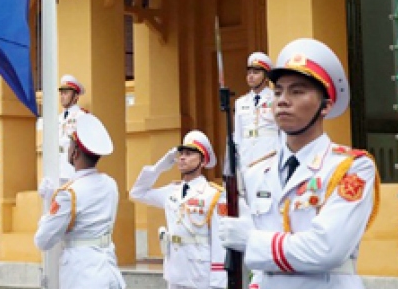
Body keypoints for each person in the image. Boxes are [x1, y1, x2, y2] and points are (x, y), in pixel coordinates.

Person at [218, 38, 380, 289]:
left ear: (325, 106)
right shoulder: (256, 172)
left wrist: (250, 240)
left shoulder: (350, 168)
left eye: (297, 91)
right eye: (278, 91)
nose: (282, 100)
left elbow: (326, 248)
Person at [34, 112, 127, 289]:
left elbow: (43, 240)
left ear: (75, 153)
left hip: (82, 274)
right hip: (108, 271)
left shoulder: (68, 194)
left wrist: (49, 204)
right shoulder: (110, 184)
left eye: (70, 145)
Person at [130, 130, 228, 289]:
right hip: (175, 272)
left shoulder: (213, 194)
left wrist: (218, 282)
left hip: (200, 275)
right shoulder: (171, 191)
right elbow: (137, 192)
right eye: (181, 153)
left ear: (202, 162)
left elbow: (219, 241)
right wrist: (160, 166)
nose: (182, 157)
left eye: (189, 154)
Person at [234, 52, 280, 171]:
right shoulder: (240, 102)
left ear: (266, 77)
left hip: (270, 155)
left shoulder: (276, 98)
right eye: (249, 73)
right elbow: (238, 135)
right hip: (247, 158)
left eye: (256, 72)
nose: (251, 76)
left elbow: (283, 131)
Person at [58, 74, 87, 181]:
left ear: (76, 96)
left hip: (72, 170)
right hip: (57, 169)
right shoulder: (58, 118)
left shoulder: (82, 116)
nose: (62, 96)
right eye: (61, 93)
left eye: (66, 93)